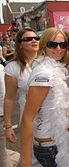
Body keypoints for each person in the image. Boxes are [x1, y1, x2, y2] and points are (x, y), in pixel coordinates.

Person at [20, 27, 69, 166]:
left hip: (56, 143)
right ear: (44, 46)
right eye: (52, 44)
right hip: (50, 146)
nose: (59, 48)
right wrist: (26, 161)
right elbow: (27, 118)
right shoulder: (44, 74)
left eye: (63, 45)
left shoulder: (55, 68)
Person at [3, 28, 41, 166]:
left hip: (50, 116)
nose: (34, 41)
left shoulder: (48, 62)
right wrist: (8, 126)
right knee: (31, 156)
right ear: (19, 44)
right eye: (28, 39)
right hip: (28, 118)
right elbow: (9, 98)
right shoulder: (13, 67)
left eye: (36, 38)